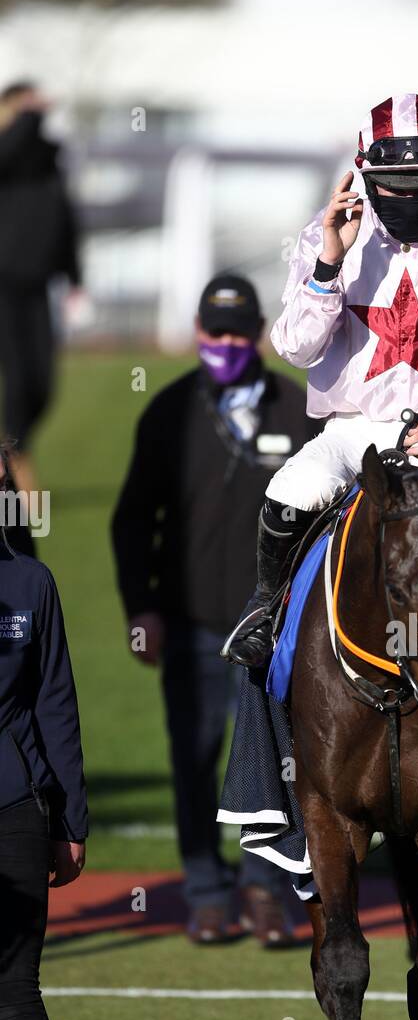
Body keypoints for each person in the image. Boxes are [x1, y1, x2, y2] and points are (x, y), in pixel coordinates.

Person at [222, 90, 418, 669]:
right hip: (349, 434)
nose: (411, 197)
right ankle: (266, 616)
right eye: (394, 183)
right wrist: (329, 264)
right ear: (363, 172)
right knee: (289, 493)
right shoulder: (326, 234)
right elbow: (294, 345)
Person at [111, 274, 316, 945]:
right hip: (192, 619)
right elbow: (133, 520)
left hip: (274, 628)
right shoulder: (167, 412)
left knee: (274, 760)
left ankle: (263, 889)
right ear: (197, 332)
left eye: (236, 332)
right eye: (213, 332)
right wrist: (141, 607)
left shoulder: (297, 408)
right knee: (195, 755)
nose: (224, 344)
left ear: (258, 333)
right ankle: (204, 889)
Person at [0, 438, 87, 1020]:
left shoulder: (33, 583)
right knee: (16, 993)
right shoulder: (26, 583)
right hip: (17, 805)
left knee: (18, 989)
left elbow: (56, 702)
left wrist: (71, 819)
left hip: (16, 812)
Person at [0, 82, 83, 496]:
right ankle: (16, 469)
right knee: (17, 380)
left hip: (38, 286)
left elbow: (65, 218)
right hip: (5, 286)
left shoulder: (47, 158)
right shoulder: (8, 150)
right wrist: (25, 116)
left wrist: (75, 275)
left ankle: (14, 447)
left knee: (42, 383)